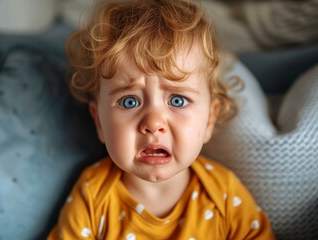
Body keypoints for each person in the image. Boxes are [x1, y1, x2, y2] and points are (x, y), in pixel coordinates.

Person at [48, 0, 275, 239]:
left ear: (209, 120)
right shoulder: (93, 195)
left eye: (177, 100)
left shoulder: (224, 194)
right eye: (129, 102)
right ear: (99, 123)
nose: (154, 123)